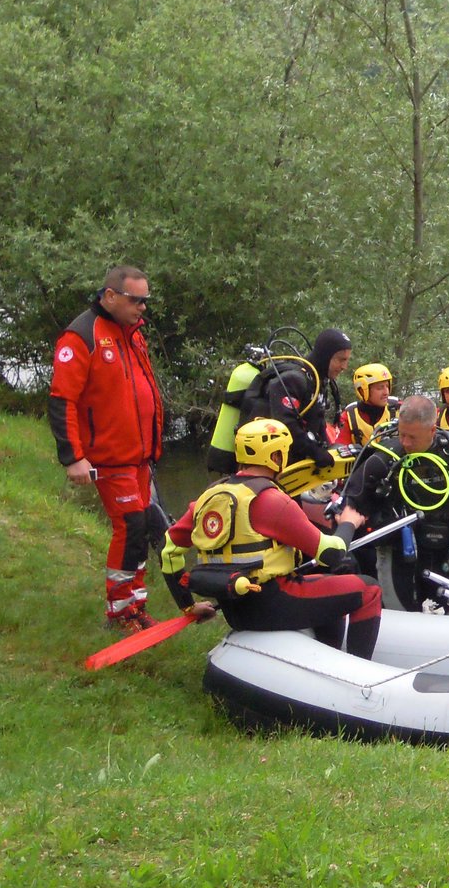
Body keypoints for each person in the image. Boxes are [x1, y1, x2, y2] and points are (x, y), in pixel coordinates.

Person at [160, 418, 382, 658]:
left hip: (234, 607)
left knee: (325, 584)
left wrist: (189, 605)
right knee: (369, 589)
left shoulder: (206, 497)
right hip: (271, 604)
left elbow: (169, 552)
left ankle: (328, 658)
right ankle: (360, 679)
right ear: (276, 457)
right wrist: (349, 522)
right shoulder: (272, 500)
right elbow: (333, 553)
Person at [48, 265, 166, 632]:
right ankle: (119, 612)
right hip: (110, 456)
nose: (142, 307)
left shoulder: (132, 333)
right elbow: (62, 400)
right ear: (110, 296)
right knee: (129, 526)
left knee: (143, 527)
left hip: (140, 454)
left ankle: (136, 604)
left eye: (145, 300)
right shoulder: (81, 336)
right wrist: (73, 457)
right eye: (135, 300)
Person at [336, 395, 449, 609]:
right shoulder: (386, 457)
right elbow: (351, 502)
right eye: (402, 434)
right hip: (398, 551)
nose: (405, 442)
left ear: (432, 431)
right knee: (399, 607)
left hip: (446, 550)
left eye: (412, 437)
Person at [242, 328, 353, 468]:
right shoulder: (293, 380)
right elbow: (286, 425)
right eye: (341, 360)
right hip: (267, 465)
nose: (344, 367)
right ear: (326, 356)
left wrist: (329, 451)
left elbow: (317, 423)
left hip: (294, 464)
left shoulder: (318, 381)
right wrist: (315, 452)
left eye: (347, 360)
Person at [339, 362, 399, 447]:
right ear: (363, 390)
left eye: (387, 386)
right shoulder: (348, 417)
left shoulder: (399, 408)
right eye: (380, 388)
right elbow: (340, 447)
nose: (386, 392)